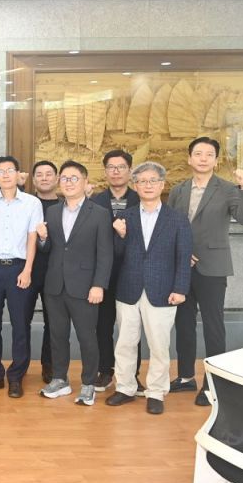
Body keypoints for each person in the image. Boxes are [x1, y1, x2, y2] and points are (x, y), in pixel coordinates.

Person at [168, 137, 243, 406]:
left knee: (213, 326)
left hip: (213, 267)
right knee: (183, 323)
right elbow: (170, 226)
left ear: (216, 161)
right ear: (189, 158)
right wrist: (181, 252)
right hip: (182, 267)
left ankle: (214, 383)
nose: (203, 158)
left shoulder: (227, 189)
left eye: (209, 154)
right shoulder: (178, 190)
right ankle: (185, 377)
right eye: (198, 153)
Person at [106, 162, 192, 415]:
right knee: (125, 343)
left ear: (162, 184)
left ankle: (155, 392)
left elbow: (183, 256)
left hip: (163, 290)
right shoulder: (125, 217)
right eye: (142, 181)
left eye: (153, 180)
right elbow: (116, 255)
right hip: (128, 289)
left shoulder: (177, 219)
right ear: (135, 186)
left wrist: (180, 288)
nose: (148, 185)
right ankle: (125, 388)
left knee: (159, 345)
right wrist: (120, 236)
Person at [36, 161, 113, 406]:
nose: (68, 183)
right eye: (65, 178)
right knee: (57, 336)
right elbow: (49, 248)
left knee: (87, 337)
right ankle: (60, 379)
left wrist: (99, 285)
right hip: (55, 285)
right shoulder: (52, 212)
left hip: (85, 287)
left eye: (74, 178)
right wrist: (42, 239)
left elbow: (105, 253)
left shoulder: (99, 213)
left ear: (85, 182)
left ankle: (88, 383)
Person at [0, 155, 43, 398]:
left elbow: (33, 238)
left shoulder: (32, 203)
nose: (5, 174)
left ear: (18, 174)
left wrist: (28, 270)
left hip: (18, 267)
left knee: (20, 324)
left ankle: (16, 377)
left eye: (10, 170)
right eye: (0, 171)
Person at [89, 149, 141, 393]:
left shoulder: (141, 199)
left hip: (132, 273)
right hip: (104, 274)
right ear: (105, 171)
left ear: (130, 171)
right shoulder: (95, 202)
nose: (116, 171)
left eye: (121, 167)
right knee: (103, 325)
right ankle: (105, 370)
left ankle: (132, 374)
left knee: (132, 326)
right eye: (111, 167)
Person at [29, 160, 59, 383]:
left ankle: (49, 365)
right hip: (28, 272)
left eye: (49, 174)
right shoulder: (26, 203)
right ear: (33, 180)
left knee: (54, 323)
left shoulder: (65, 205)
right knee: (22, 321)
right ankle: (21, 364)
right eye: (39, 174)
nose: (44, 178)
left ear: (57, 178)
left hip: (55, 273)